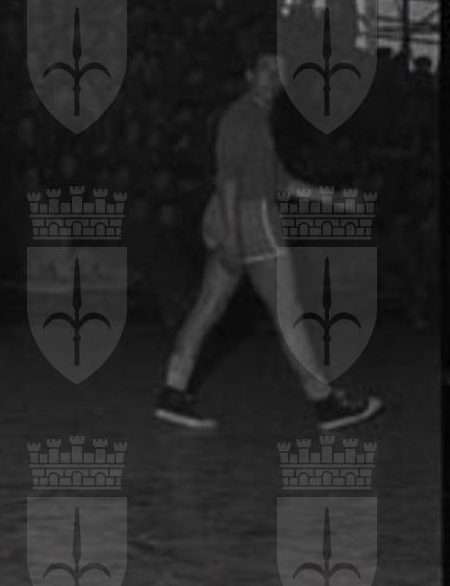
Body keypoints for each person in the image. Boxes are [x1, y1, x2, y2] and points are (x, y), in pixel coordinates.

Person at [155, 38, 381, 432]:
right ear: (249, 75)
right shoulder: (242, 117)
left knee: (209, 306)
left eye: (280, 72)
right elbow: (227, 178)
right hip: (252, 219)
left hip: (237, 217)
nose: (273, 77)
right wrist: (232, 236)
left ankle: (173, 393)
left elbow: (282, 182)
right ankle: (325, 403)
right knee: (288, 313)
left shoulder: (261, 120)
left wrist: (334, 200)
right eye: (265, 69)